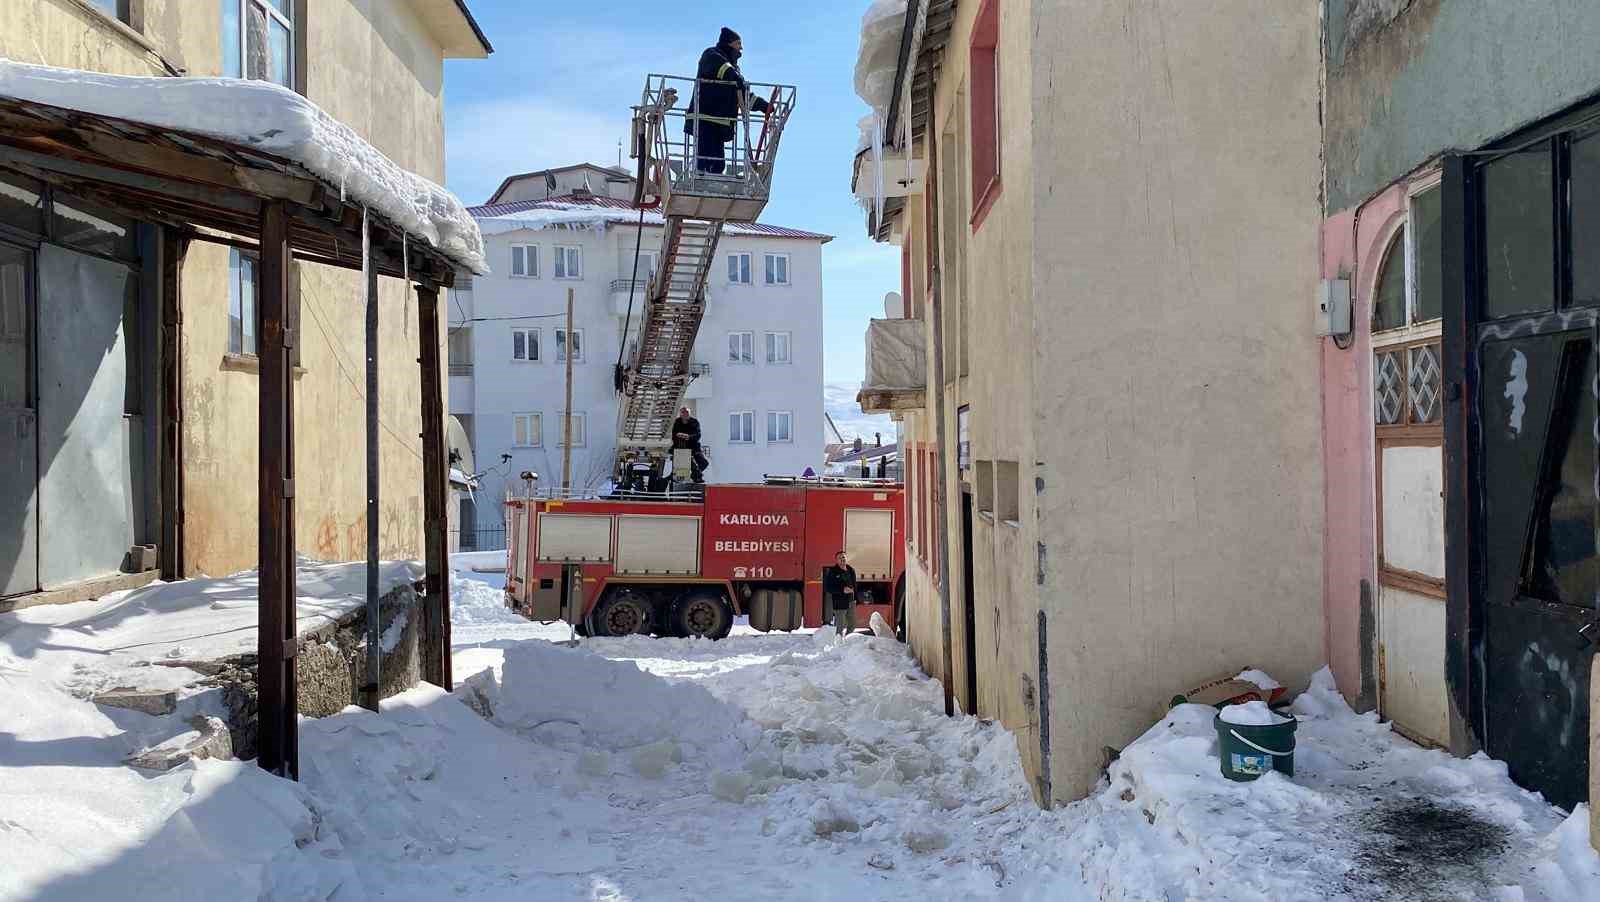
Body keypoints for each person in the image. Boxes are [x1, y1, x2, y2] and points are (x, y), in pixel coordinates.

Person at [686, 27, 770, 174]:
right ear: (729, 43)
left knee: (718, 165)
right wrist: (737, 77)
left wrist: (764, 106)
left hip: (720, 121)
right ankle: (702, 178)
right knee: (705, 161)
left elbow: (742, 95)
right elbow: (725, 70)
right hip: (705, 119)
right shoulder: (711, 55)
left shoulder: (733, 69)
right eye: (738, 44)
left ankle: (710, 179)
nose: (741, 49)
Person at [821, 551, 858, 638]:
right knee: (840, 626)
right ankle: (838, 643)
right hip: (839, 603)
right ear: (836, 560)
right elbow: (828, 588)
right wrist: (842, 590)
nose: (842, 559)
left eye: (843, 557)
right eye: (840, 558)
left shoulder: (851, 570)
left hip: (851, 601)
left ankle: (847, 641)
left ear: (846, 558)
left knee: (852, 624)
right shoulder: (833, 572)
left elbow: (854, 585)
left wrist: (855, 599)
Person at [670, 406, 707, 482]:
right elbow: (673, 435)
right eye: (683, 412)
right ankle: (696, 475)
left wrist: (688, 437)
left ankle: (695, 474)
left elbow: (698, 435)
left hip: (693, 446)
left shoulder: (694, 422)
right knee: (685, 460)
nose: (685, 414)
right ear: (680, 414)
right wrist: (679, 436)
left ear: (689, 413)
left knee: (704, 463)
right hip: (680, 447)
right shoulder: (677, 422)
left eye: (687, 412)